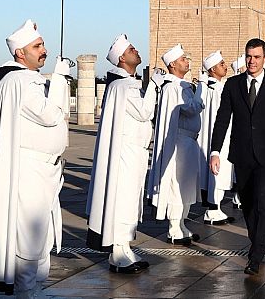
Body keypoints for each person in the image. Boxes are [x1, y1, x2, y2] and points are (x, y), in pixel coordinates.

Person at [0, 19, 71, 297]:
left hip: (45, 169)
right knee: (30, 238)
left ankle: (34, 288)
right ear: (20, 53)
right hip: (31, 169)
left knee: (42, 236)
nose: (45, 50)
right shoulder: (22, 81)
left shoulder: (24, 80)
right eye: (38, 46)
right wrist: (61, 78)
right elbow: (50, 114)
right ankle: (25, 291)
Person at [209, 38, 265, 275]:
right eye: (248, 56)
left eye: (256, 57)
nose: (251, 61)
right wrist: (215, 151)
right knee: (247, 203)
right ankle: (256, 241)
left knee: (263, 203)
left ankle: (256, 254)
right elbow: (223, 119)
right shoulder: (233, 85)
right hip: (242, 154)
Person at [86, 34, 160, 273]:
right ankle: (118, 253)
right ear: (121, 58)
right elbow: (145, 112)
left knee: (131, 200)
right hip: (125, 153)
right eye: (131, 49)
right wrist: (154, 86)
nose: (136, 51)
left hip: (134, 152)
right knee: (124, 200)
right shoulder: (123, 85)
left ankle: (125, 246)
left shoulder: (127, 83)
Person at [147, 44, 205, 246]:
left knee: (186, 186)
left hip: (189, 141)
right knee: (176, 184)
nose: (186, 62)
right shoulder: (172, 87)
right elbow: (191, 109)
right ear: (172, 64)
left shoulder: (182, 86)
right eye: (182, 59)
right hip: (179, 142)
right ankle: (173, 227)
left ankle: (182, 223)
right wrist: (201, 90)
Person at [196, 51, 236, 226]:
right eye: (221, 64)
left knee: (222, 171)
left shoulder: (220, 87)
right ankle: (212, 209)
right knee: (216, 171)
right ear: (212, 69)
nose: (225, 66)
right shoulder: (211, 89)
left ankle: (216, 207)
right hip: (217, 138)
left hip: (226, 137)